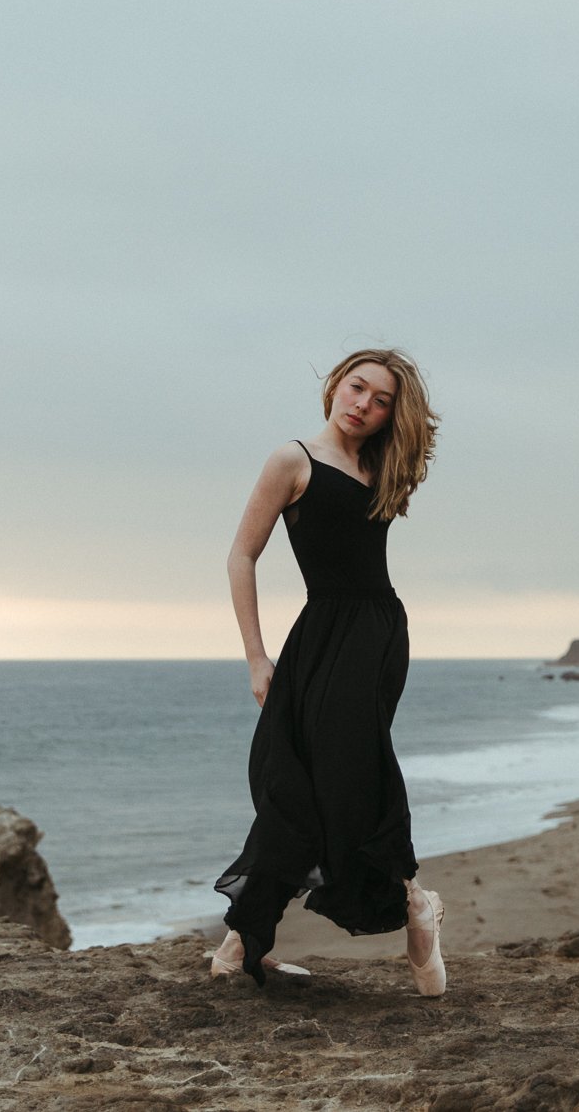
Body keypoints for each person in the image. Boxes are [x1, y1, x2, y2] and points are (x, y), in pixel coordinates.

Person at [209, 347, 447, 996]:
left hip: (376, 635)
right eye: (356, 386)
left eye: (380, 400)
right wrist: (257, 656)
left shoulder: (380, 467)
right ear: (335, 384)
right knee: (296, 781)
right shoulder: (293, 459)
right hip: (318, 635)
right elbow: (241, 555)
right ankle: (248, 935)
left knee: (350, 774)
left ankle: (413, 907)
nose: (363, 403)